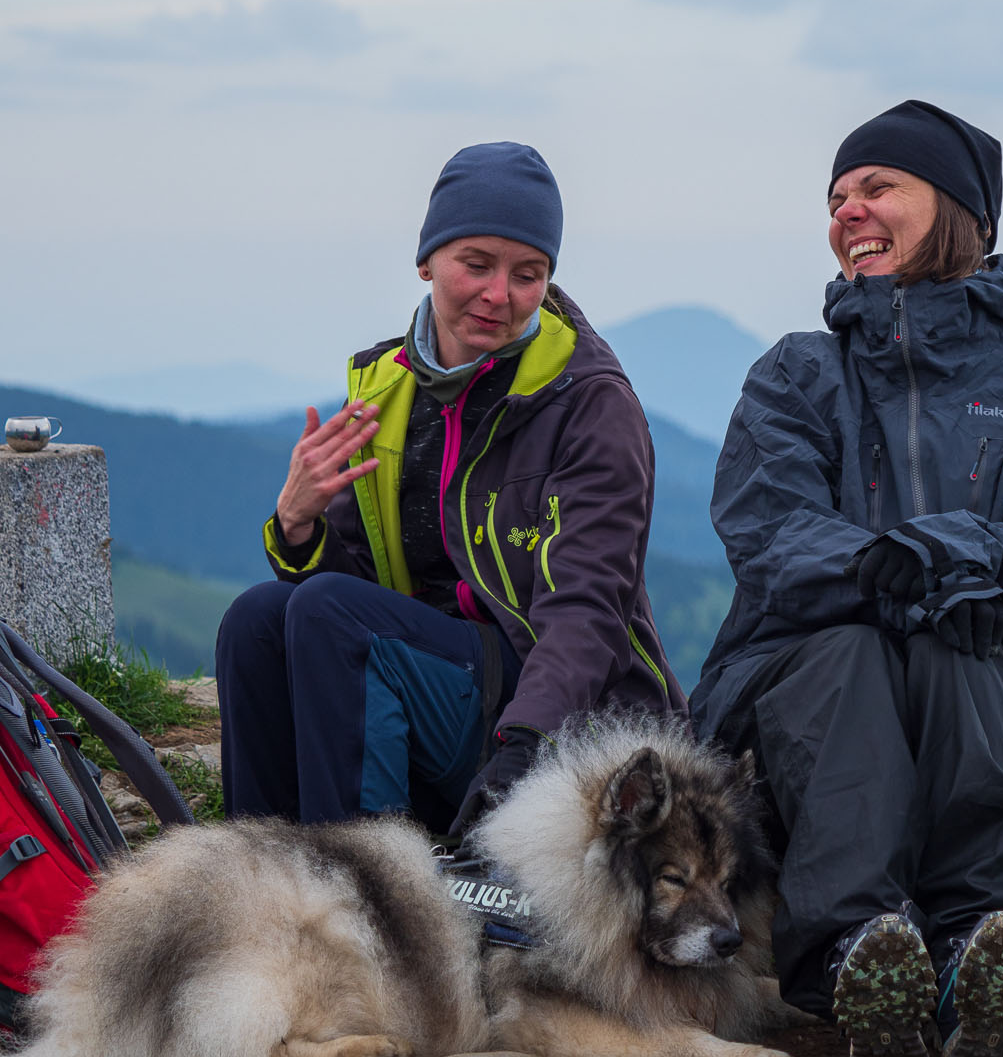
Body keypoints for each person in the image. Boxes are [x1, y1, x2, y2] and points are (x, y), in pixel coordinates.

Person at [691, 101, 1003, 1057]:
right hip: (794, 694)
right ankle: (860, 959)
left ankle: (983, 948)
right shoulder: (794, 376)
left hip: (973, 702)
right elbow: (767, 536)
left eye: (876, 187)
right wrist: (896, 570)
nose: (849, 210)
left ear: (959, 213)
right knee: (851, 647)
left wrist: (939, 557)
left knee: (952, 642)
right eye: (836, 196)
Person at [217, 141, 684, 835]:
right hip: (436, 689)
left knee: (329, 612)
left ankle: (368, 891)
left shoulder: (587, 401)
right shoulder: (388, 390)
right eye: (476, 264)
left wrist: (524, 747)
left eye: (528, 273)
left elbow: (588, 613)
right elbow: (354, 595)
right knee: (258, 618)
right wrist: (299, 527)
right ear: (426, 260)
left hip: (556, 715)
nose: (500, 295)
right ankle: (258, 867)